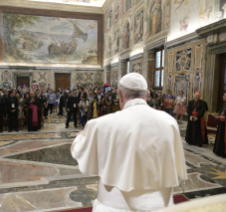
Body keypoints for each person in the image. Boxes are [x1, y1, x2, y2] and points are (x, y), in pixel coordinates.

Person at [71, 73, 187, 212]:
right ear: (148, 95)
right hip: (160, 205)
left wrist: (79, 137)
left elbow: (80, 152)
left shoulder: (100, 124)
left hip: (115, 205)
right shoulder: (169, 121)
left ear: (119, 94)